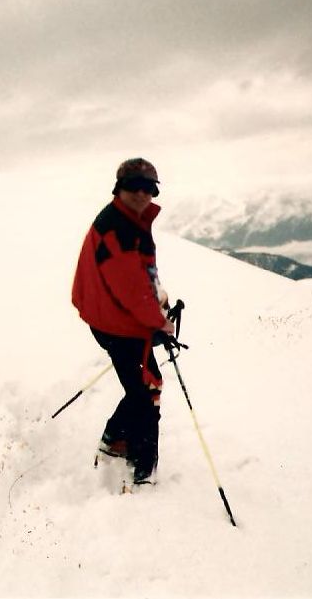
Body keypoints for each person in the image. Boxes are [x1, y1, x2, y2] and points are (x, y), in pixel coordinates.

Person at [71, 157, 175, 487]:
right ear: (120, 188)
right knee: (147, 389)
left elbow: (139, 276)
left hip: (109, 316)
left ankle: (116, 441)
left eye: (149, 188)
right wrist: (160, 321)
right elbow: (131, 288)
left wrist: (158, 297)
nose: (143, 194)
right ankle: (142, 470)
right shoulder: (120, 229)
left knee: (144, 385)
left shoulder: (126, 219)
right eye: (135, 187)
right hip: (116, 322)